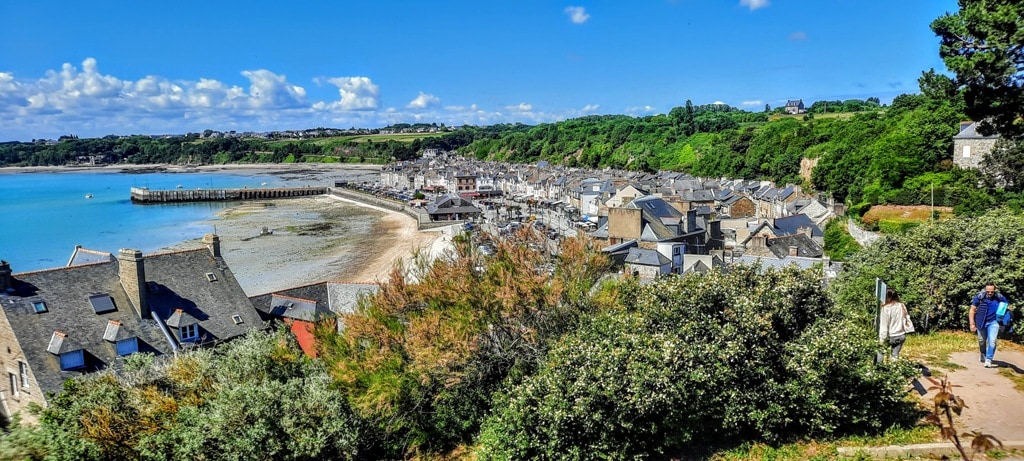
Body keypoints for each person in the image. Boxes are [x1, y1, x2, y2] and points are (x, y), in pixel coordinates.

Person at [969, 283, 1011, 368]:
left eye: (992, 291)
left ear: (994, 290)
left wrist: (1007, 310)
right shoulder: (979, 297)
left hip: (994, 322)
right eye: (988, 291)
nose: (990, 293)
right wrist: (972, 324)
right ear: (985, 290)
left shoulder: (999, 297)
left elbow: (1007, 305)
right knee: (981, 340)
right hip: (981, 322)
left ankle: (989, 359)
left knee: (992, 341)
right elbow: (972, 310)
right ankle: (983, 353)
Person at [878, 288, 910, 361]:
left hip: (891, 336)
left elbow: (884, 326)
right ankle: (895, 370)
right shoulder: (902, 305)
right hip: (901, 335)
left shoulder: (886, 309)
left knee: (880, 353)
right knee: (895, 355)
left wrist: (882, 339)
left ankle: (878, 369)